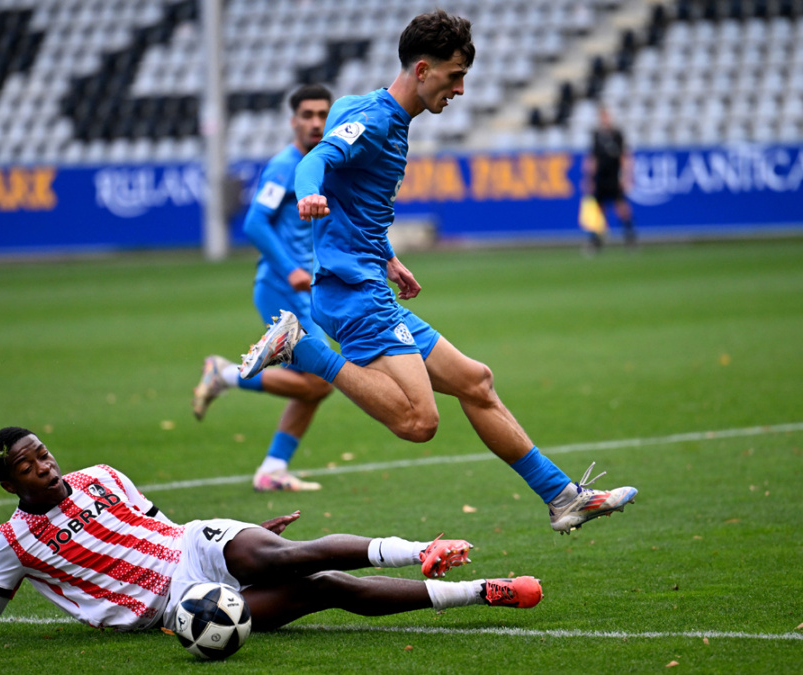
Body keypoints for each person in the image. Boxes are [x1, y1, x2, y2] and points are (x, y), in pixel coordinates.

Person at [239, 11, 637, 534]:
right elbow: (317, 162)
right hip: (354, 295)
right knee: (420, 422)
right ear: (422, 69)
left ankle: (563, 497)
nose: (462, 89)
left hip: (362, 279)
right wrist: (308, 192)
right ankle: (301, 347)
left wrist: (388, 256)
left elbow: (356, 198)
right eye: (454, 76)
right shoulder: (379, 120)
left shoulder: (360, 109)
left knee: (476, 381)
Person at [0, 427, 542, 650]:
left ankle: (417, 547)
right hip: (178, 603)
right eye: (27, 463)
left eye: (43, 452)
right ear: (7, 479)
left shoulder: (102, 474)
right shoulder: (13, 540)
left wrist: (242, 525)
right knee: (322, 588)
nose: (44, 464)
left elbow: (163, 525)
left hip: (196, 545)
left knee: (284, 554)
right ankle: (476, 592)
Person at [192, 84, 334, 492]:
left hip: (304, 288)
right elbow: (255, 221)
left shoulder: (322, 165)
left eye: (322, 114)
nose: (315, 123)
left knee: (313, 387)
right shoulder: (284, 165)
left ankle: (272, 469)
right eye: (307, 115)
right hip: (281, 287)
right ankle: (226, 374)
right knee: (323, 380)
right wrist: (290, 269)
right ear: (293, 121)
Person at [582, 104, 636, 252]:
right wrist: (589, 178)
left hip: (614, 176)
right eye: (602, 117)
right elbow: (593, 159)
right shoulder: (596, 136)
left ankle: (630, 238)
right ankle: (596, 242)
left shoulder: (617, 135)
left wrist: (626, 176)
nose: (604, 120)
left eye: (606, 117)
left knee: (621, 207)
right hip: (600, 177)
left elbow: (625, 157)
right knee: (599, 210)